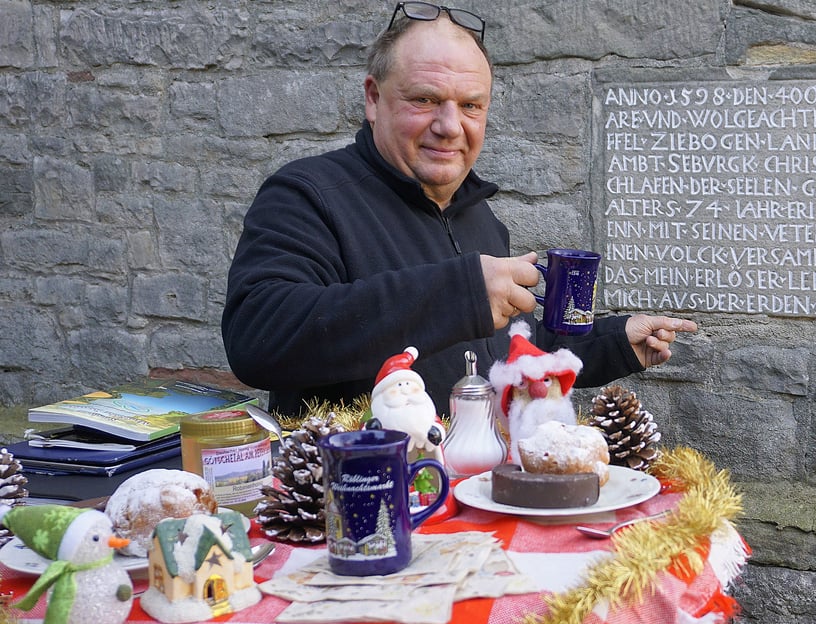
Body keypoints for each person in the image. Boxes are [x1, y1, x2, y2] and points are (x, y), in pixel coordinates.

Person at [222, 2, 697, 417]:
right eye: (425, 99)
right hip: (366, 503)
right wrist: (460, 294)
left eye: (471, 105)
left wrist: (614, 341)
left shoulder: (481, 220)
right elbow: (258, 339)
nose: (450, 126)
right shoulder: (307, 193)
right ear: (373, 98)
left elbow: (514, 354)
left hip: (476, 500)